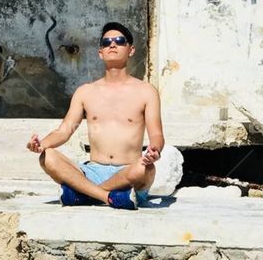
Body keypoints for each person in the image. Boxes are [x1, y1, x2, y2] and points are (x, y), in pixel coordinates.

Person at [26, 21, 164, 210]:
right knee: (47, 156)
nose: (112, 45)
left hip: (128, 170)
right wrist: (41, 144)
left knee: (145, 169)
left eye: (119, 41)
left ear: (130, 50)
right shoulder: (85, 92)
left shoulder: (146, 91)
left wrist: (154, 150)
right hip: (92, 170)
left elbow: (156, 134)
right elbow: (64, 131)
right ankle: (110, 197)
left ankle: (83, 194)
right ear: (100, 53)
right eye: (106, 43)